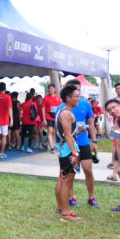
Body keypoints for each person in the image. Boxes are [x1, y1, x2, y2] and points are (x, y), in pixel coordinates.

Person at [59, 79, 99, 208]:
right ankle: (71, 197)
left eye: (78, 91)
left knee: (88, 169)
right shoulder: (63, 108)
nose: (78, 94)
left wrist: (94, 140)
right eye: (75, 92)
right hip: (70, 145)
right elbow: (63, 132)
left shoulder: (85, 104)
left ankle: (91, 197)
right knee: (70, 173)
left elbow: (91, 122)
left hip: (83, 142)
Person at [54, 85, 83, 221]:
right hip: (68, 151)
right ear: (68, 98)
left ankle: (61, 208)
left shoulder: (63, 111)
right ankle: (66, 212)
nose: (78, 99)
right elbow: (67, 135)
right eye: (76, 96)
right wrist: (75, 153)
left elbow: (68, 133)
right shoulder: (66, 113)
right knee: (67, 182)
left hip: (64, 150)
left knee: (62, 179)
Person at [41, 84, 62, 153]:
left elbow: (60, 107)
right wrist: (44, 119)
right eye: (49, 88)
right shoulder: (45, 98)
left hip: (55, 116)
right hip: (48, 116)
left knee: (53, 132)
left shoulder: (58, 97)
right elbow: (43, 108)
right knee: (50, 131)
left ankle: (45, 143)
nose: (50, 90)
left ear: (55, 89)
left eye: (52, 88)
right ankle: (52, 147)